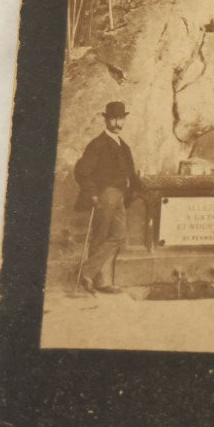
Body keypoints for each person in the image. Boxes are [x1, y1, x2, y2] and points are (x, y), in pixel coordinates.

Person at [73, 100, 142, 294]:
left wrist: (142, 187)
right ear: (106, 120)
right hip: (106, 194)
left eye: (121, 119)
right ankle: (99, 281)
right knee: (100, 236)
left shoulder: (124, 146)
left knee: (119, 236)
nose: (117, 123)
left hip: (120, 195)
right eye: (113, 119)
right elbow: (81, 171)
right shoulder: (98, 144)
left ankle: (87, 272)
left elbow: (131, 173)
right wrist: (93, 194)